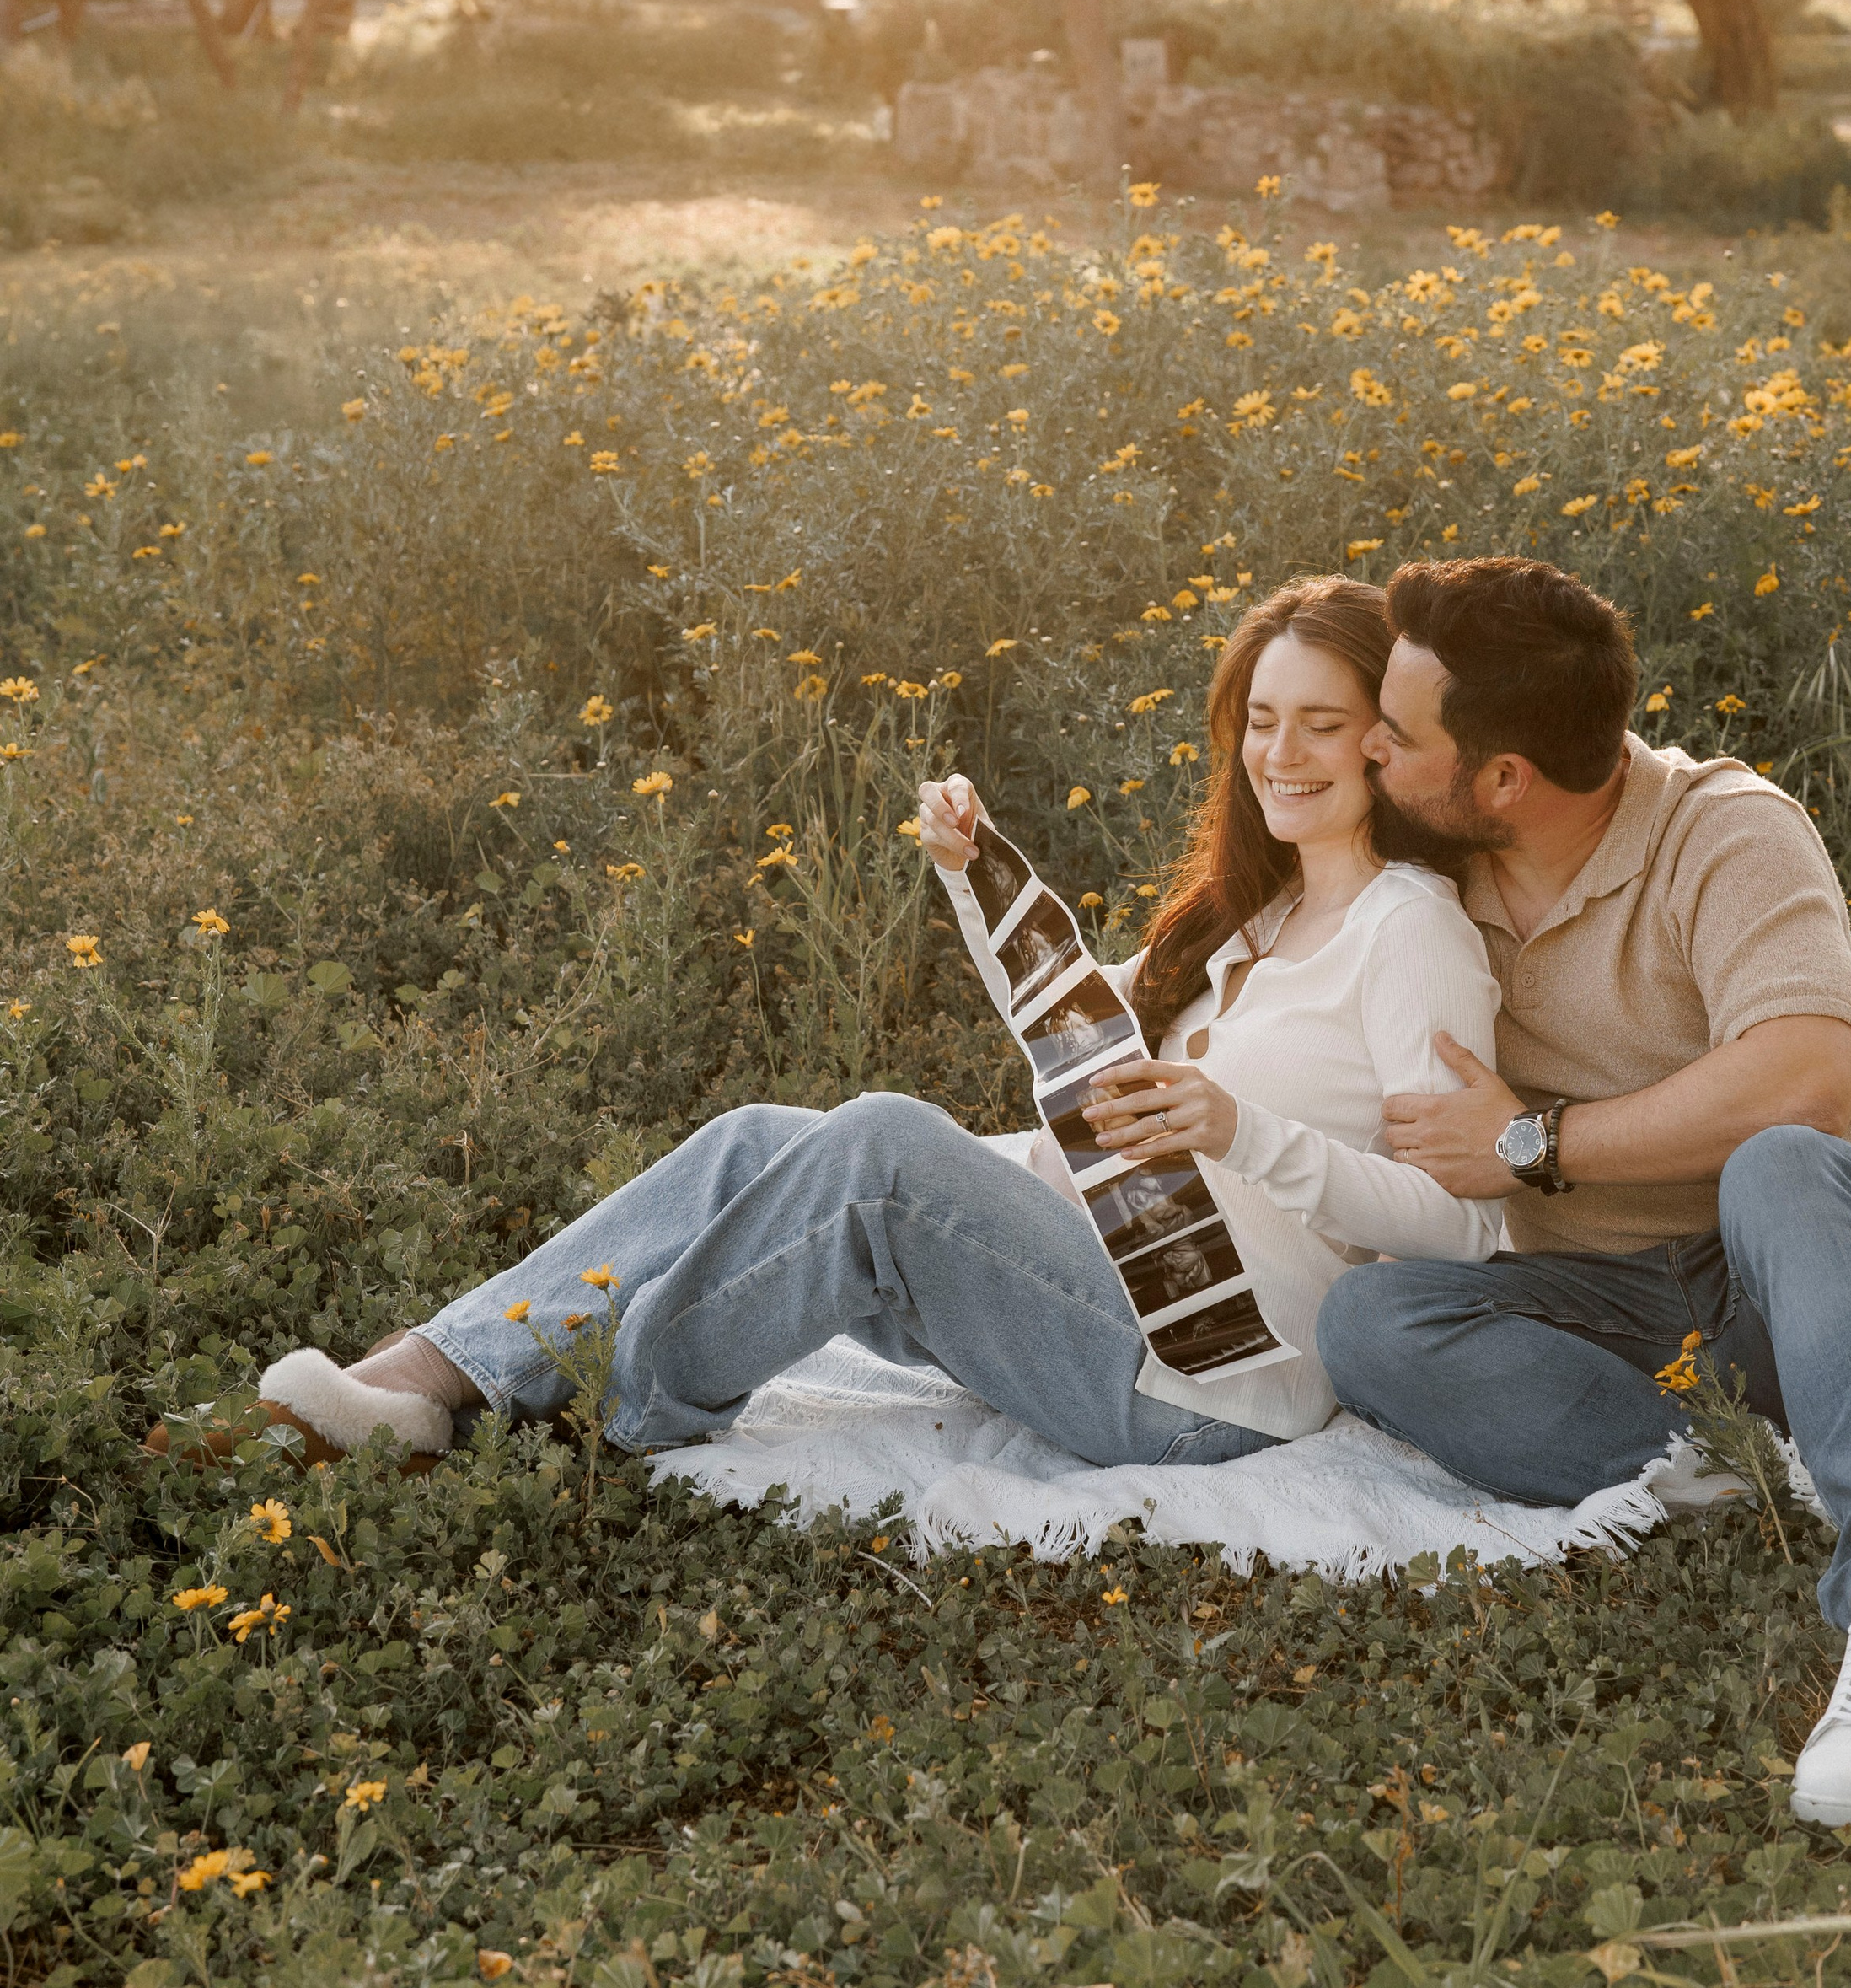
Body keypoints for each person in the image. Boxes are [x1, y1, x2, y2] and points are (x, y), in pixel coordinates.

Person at [247, 578, 1505, 1474]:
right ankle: (422, 1378)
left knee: (883, 1145)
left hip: (1209, 1384)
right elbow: (1077, 1028)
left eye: (1322, 725)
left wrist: (1243, 1133)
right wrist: (974, 873)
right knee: (759, 1139)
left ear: (1385, 746)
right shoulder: (1253, 917)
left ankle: (594, 1412)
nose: (1282, 754)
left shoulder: (1411, 933)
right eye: (1262, 722)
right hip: (1094, 1279)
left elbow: (1466, 1226)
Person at [1316, 551, 1851, 1832]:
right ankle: (1751, 1474)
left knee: (1777, 1159)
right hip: (1636, 1311)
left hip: (1848, 1261)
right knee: (1370, 1322)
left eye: (1396, 736)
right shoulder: (1429, 857)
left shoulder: (1725, 830)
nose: (1368, 747)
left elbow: (1802, 1077)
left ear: (1503, 778)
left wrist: (1533, 1145)